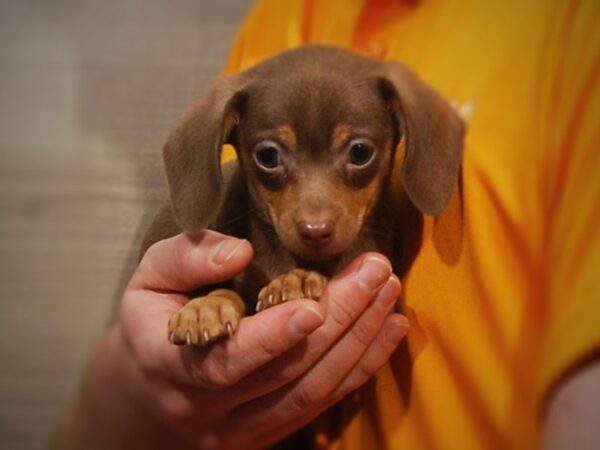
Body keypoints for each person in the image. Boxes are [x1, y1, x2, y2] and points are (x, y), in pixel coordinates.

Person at [52, 0, 600, 449]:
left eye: (358, 154)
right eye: (271, 158)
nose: (314, 218)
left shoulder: (570, 31)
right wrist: (133, 389)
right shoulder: (284, 19)